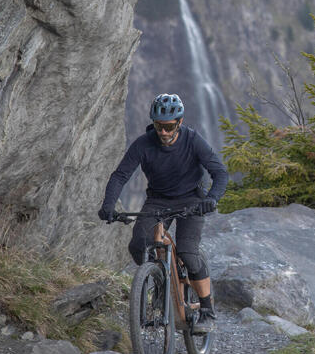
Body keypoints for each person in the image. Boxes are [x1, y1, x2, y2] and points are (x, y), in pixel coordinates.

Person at [98, 93, 228, 333]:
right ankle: (160, 280)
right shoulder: (144, 144)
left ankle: (207, 311)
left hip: (192, 200)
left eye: (168, 127)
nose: (163, 132)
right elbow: (120, 176)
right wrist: (109, 205)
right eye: (158, 126)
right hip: (158, 201)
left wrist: (211, 199)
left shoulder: (193, 140)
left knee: (189, 252)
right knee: (139, 245)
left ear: (179, 123)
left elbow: (220, 173)